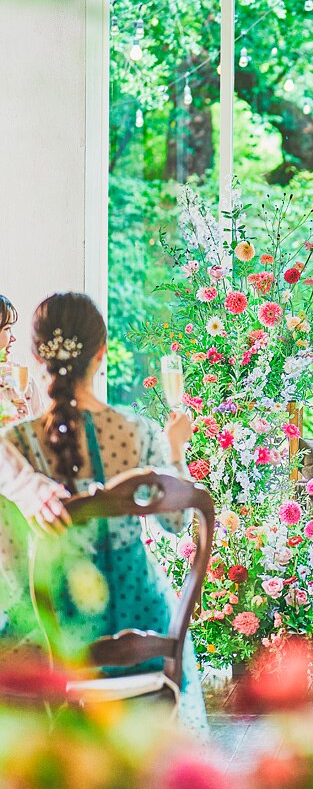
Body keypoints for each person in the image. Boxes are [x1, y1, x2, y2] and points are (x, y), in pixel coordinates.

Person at [0, 293, 207, 732]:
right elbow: (176, 523)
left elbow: (11, 557)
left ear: (37, 358)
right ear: (101, 353)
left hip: (58, 639)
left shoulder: (14, 445)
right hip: (144, 625)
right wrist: (176, 449)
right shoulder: (138, 431)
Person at [0, 294, 43, 419]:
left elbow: (43, 425)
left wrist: (25, 421)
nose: (13, 338)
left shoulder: (22, 378)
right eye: (7, 328)